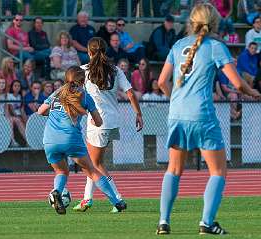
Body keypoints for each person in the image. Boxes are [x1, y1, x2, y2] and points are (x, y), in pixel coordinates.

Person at [155, 3, 261, 235]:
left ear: (191, 22)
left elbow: (162, 82)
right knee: (218, 171)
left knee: (173, 169)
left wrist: (178, 100)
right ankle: (206, 222)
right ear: (215, 23)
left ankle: (163, 221)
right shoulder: (215, 46)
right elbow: (236, 83)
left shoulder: (177, 44)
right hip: (201, 114)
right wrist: (253, 92)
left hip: (177, 113)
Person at [37, 66, 126, 215]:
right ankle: (117, 202)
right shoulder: (84, 96)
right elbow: (98, 122)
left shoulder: (57, 93)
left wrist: (54, 113)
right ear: (83, 80)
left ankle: (57, 192)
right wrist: (92, 121)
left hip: (50, 139)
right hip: (71, 139)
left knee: (61, 171)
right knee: (92, 171)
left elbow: (40, 111)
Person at [73, 37, 143, 212]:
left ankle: (117, 199)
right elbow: (131, 93)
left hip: (97, 122)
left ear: (89, 52)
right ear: (105, 51)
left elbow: (73, 93)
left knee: (93, 164)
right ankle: (87, 199)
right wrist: (138, 114)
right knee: (95, 162)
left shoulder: (84, 71)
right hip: (112, 121)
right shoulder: (115, 69)